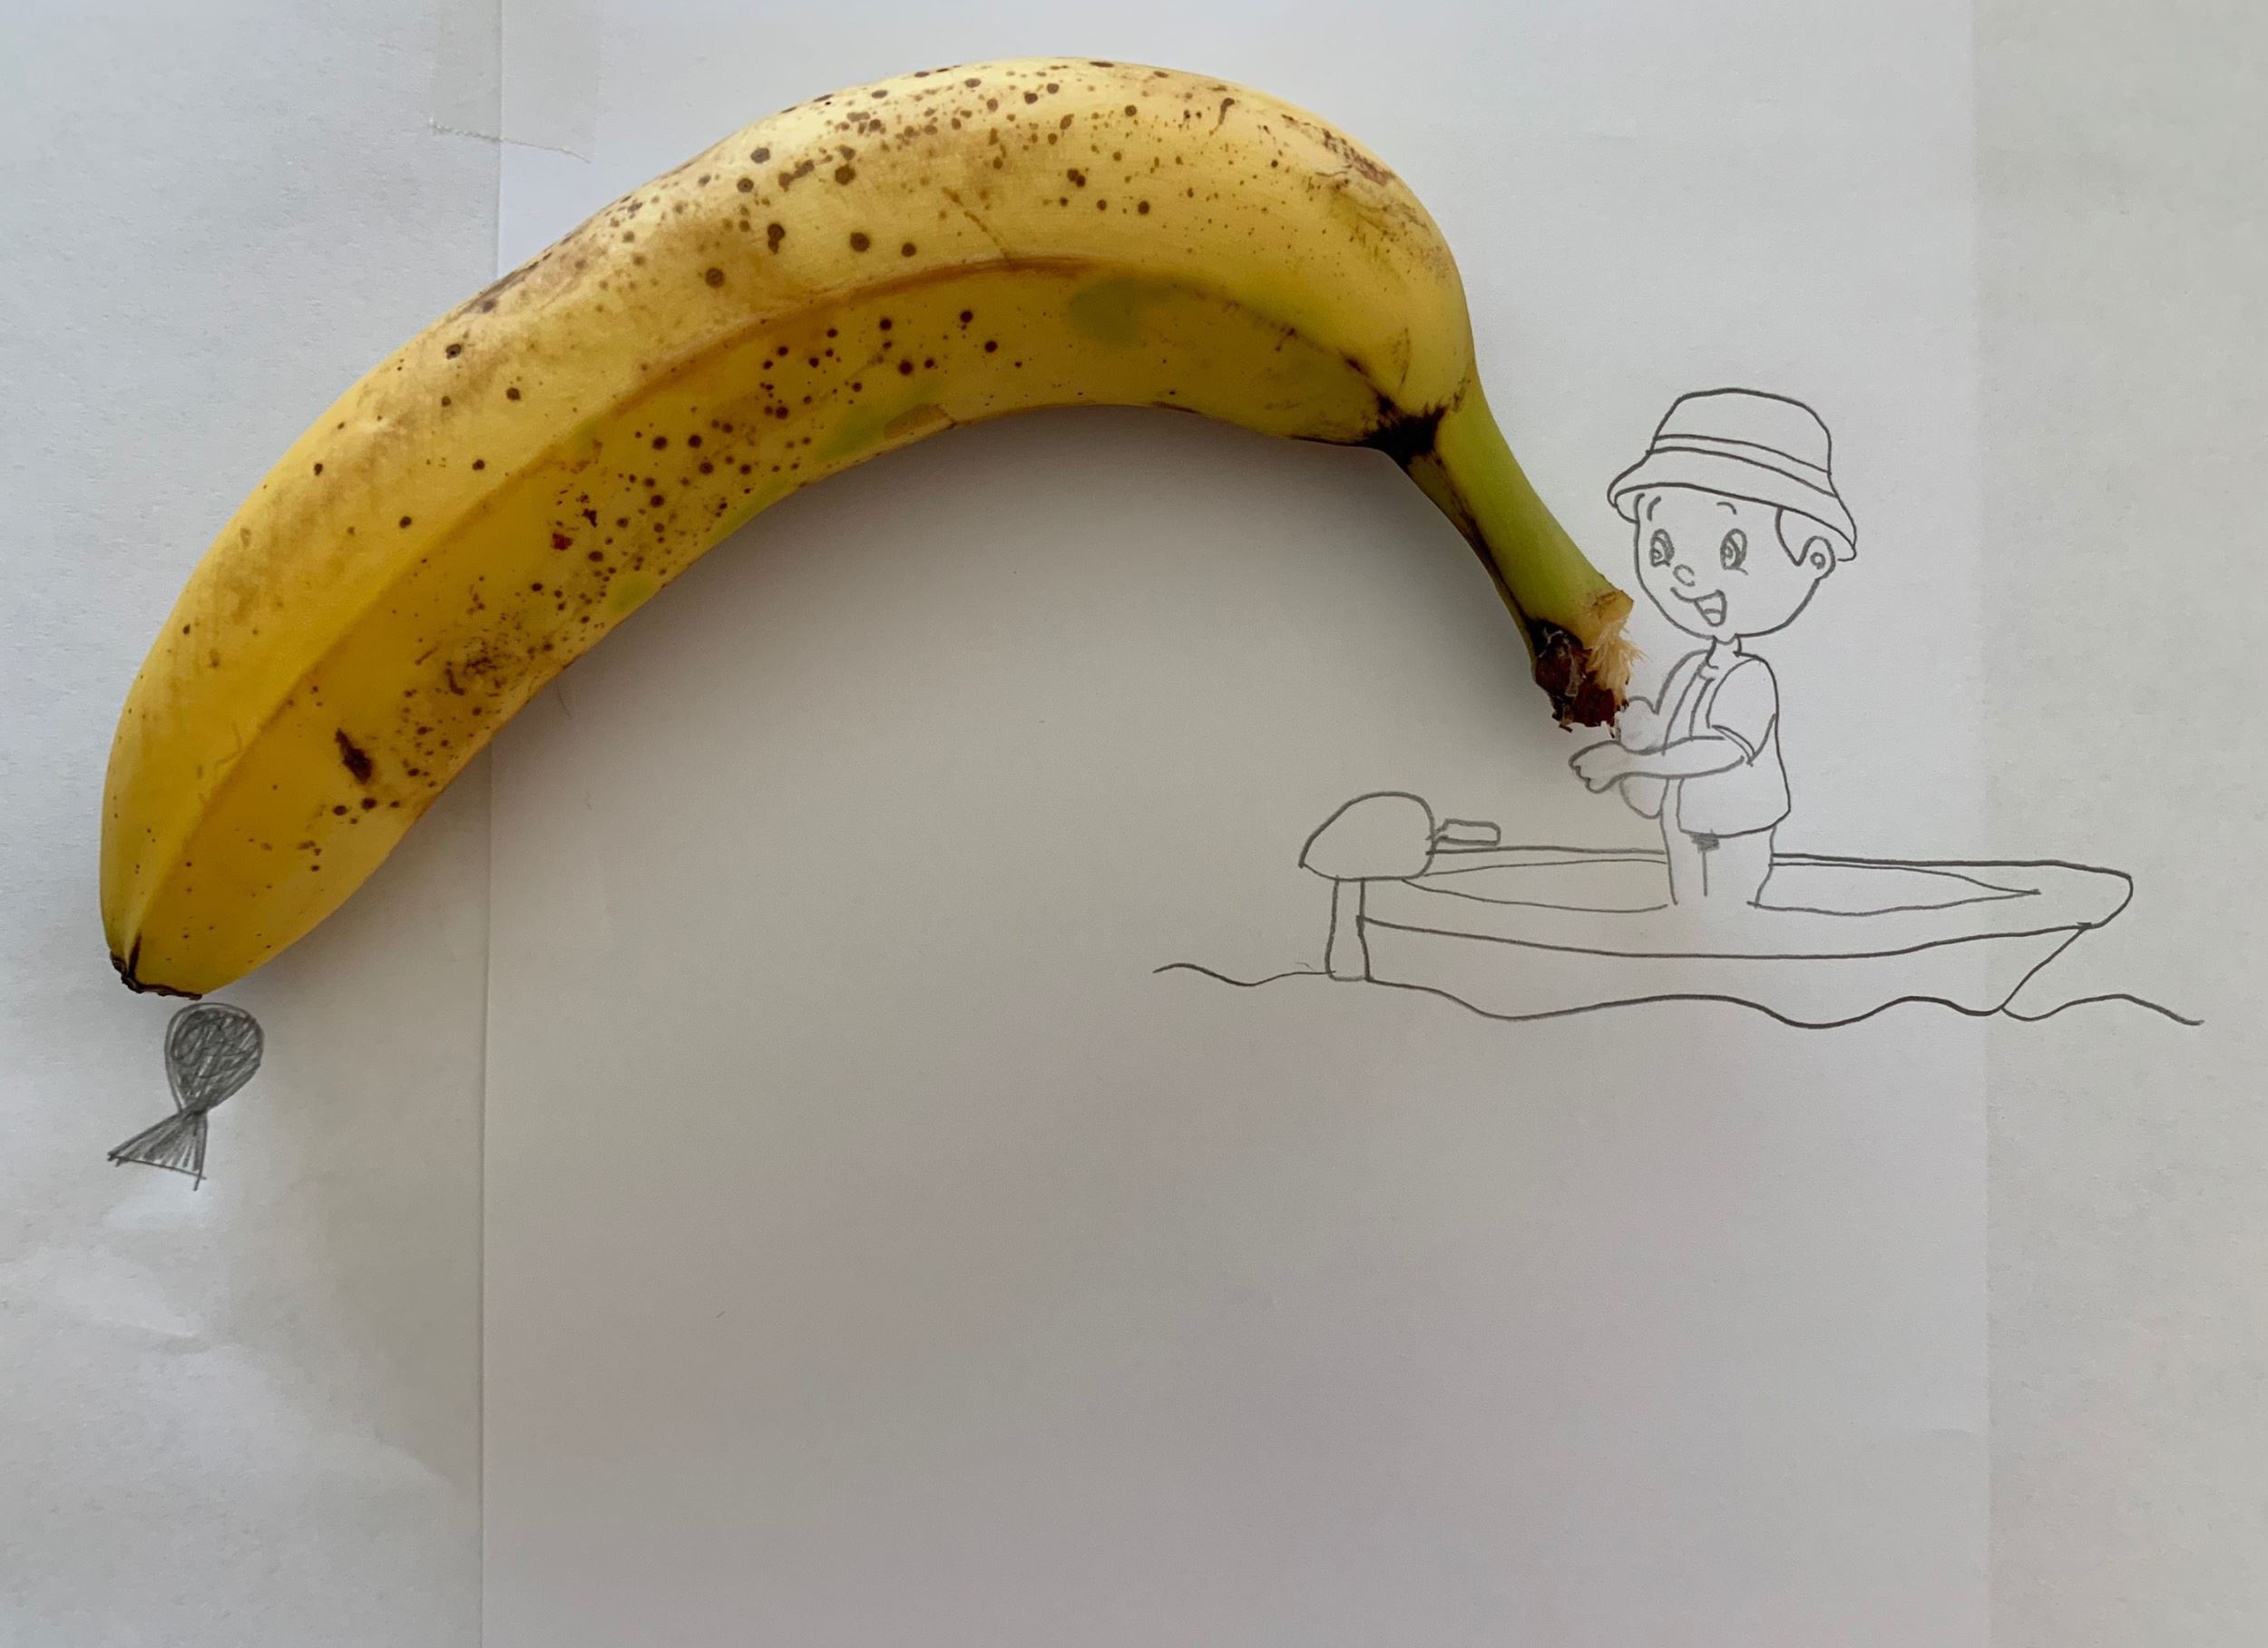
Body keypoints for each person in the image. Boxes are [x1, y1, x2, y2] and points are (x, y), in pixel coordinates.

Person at [1569, 388, 1857, 906]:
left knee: (1727, 910)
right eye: (1663, 547)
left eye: (1730, 549)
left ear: (1813, 557)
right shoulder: (1690, 669)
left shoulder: (1751, 677)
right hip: (1682, 818)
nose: (1683, 572)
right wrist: (1640, 726)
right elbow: (1675, 729)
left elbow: (1720, 748)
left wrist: (1631, 765)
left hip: (1733, 824)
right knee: (1687, 907)